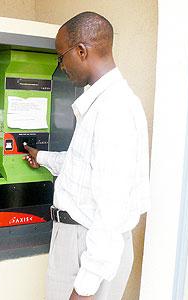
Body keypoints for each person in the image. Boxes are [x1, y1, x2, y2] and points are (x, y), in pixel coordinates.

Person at [23, 11, 150, 300]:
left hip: (86, 244)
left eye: (60, 56)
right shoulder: (105, 102)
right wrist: (40, 156)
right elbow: (84, 166)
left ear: (81, 51)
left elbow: (112, 207)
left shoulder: (113, 109)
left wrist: (85, 287)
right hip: (84, 240)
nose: (61, 66)